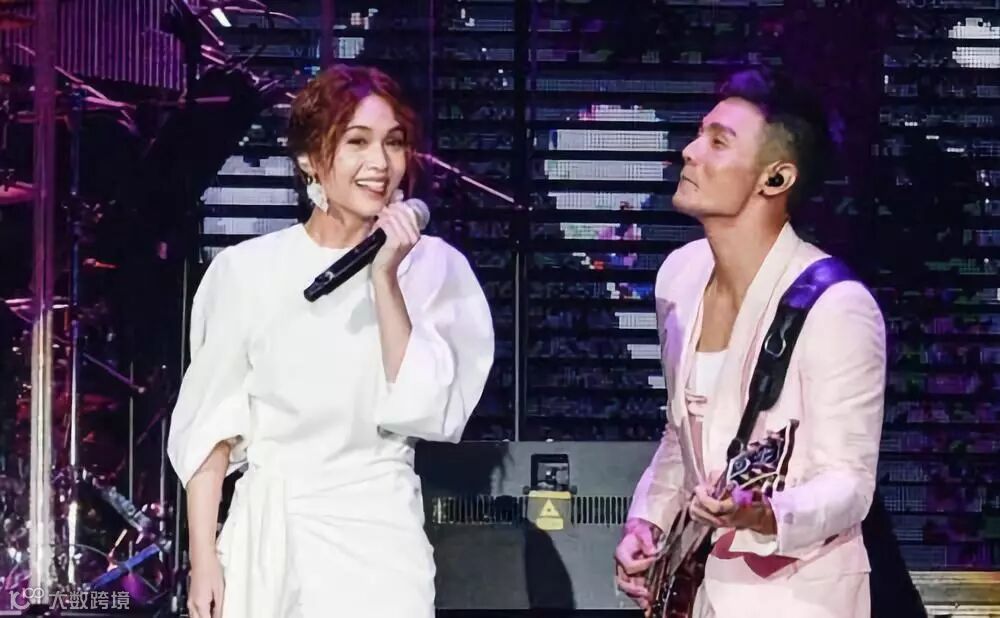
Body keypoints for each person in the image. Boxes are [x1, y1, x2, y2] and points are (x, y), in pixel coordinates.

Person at [167, 65, 495, 618]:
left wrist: (385, 277)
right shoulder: (247, 271)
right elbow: (210, 427)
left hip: (379, 535)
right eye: (357, 142)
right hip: (268, 536)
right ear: (308, 158)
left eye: (394, 143)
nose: (380, 163)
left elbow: (428, 410)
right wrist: (204, 560)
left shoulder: (434, 267)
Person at [613, 67, 886, 618]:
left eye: (718, 142)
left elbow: (848, 484)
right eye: (699, 134)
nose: (690, 151)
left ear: (775, 179)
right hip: (696, 591)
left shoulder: (836, 307)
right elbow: (683, 436)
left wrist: (762, 513)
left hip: (800, 596)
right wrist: (649, 520)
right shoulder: (679, 277)